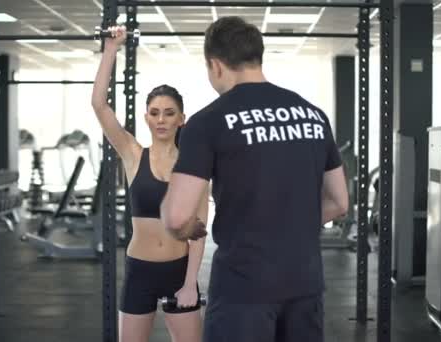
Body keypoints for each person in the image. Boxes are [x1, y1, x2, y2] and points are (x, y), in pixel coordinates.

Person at [160, 16, 350, 342]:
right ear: (256, 57)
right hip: (304, 283)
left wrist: (185, 227)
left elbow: (177, 217)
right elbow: (339, 201)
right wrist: (292, 224)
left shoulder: (207, 123)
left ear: (215, 65)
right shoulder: (314, 115)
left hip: (243, 287)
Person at [91, 26, 208, 342]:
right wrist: (111, 49)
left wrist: (189, 283)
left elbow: (198, 233)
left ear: (181, 119)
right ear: (146, 118)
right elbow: (100, 106)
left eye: (169, 113)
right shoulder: (132, 154)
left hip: (179, 271)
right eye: (155, 113)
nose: (161, 119)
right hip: (139, 270)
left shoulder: (194, 167)